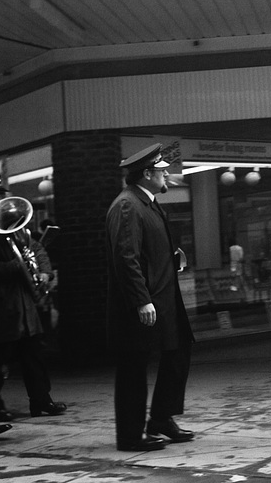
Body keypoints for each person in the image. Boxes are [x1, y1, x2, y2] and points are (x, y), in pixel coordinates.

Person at [106, 144, 195, 452]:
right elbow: (125, 257)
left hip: (165, 299)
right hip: (145, 302)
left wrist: (171, 255)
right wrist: (141, 299)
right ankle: (130, 436)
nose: (166, 173)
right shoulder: (128, 205)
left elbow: (146, 248)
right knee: (133, 366)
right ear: (146, 174)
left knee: (178, 352)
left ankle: (160, 419)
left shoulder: (149, 203)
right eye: (161, 170)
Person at [0, 174, 67, 421]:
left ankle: (41, 401)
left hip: (25, 306)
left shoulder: (16, 226)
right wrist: (17, 265)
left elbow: (37, 249)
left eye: (3, 195)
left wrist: (43, 271)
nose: (2, 199)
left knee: (35, 356)